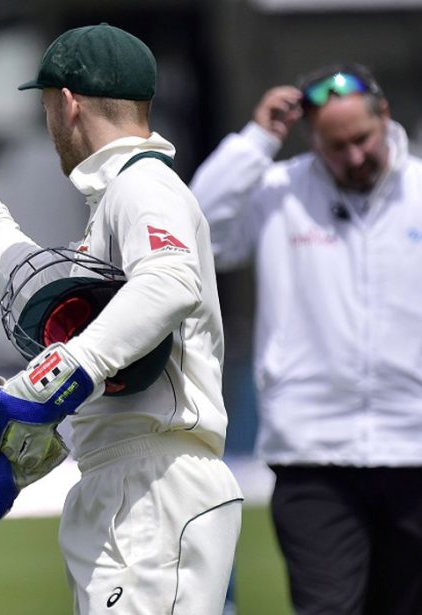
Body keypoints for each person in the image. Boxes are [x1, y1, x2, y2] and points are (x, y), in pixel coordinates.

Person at [0, 23, 243, 614]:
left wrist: (62, 373)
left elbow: (171, 282)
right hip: (123, 482)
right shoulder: (118, 198)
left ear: (67, 102)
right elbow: (42, 289)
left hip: (158, 481)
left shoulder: (145, 185)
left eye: (47, 104)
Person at [190, 63, 422, 614]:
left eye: (362, 139)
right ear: (309, 138)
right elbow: (201, 226)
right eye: (336, 146)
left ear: (384, 117)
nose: (355, 157)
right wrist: (257, 140)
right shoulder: (277, 191)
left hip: (415, 448)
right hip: (314, 453)